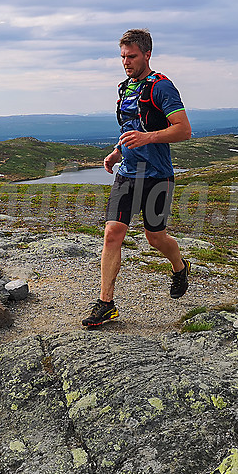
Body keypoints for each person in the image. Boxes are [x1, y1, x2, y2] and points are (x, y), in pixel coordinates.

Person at [82, 28, 193, 328]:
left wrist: (148, 138)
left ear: (147, 54)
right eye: (122, 57)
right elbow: (130, 127)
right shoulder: (125, 88)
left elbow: (184, 130)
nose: (126, 62)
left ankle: (180, 266)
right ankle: (106, 303)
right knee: (112, 233)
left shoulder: (162, 87)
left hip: (158, 176)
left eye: (131, 56)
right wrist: (117, 151)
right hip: (128, 174)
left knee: (154, 237)